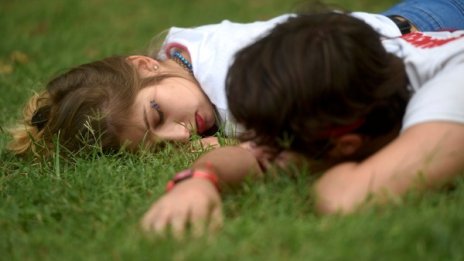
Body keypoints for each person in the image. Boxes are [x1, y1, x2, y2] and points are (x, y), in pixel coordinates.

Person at [140, 11, 464, 237]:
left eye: (281, 146)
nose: (268, 154)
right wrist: (199, 180)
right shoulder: (359, 65)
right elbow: (251, 156)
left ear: (346, 145)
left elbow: (345, 198)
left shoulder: (451, 94)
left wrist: (317, 165)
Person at [6, 0, 464, 157]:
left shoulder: (232, 84)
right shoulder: (180, 53)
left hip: (430, 29)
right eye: (160, 143)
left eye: (159, 115)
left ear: (144, 65)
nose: (182, 134)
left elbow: (276, 139)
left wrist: (224, 145)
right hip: (411, 22)